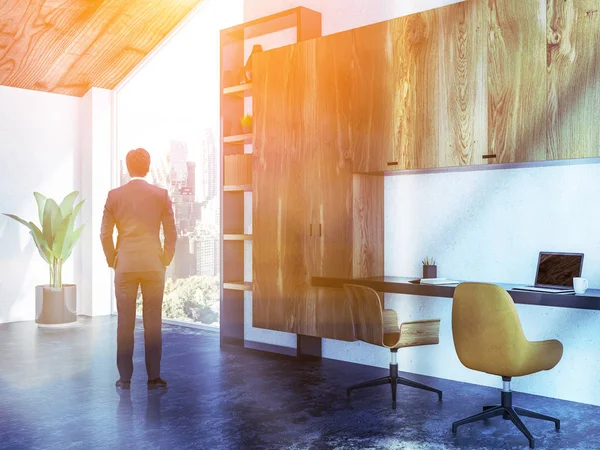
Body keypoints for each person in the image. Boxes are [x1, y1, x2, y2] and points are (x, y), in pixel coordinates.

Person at [100, 148, 177, 391]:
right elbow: (172, 233)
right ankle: (154, 378)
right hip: (154, 266)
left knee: (125, 322)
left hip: (125, 266)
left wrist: (113, 260)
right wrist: (165, 259)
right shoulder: (161, 194)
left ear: (127, 167)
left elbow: (105, 234)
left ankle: (124, 380)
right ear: (148, 167)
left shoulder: (114, 196)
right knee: (153, 322)